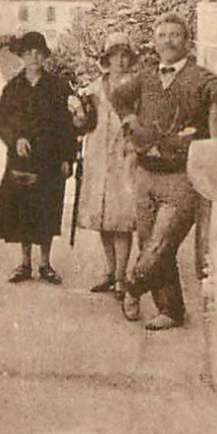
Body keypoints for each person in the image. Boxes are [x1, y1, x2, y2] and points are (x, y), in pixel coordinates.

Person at [109, 13, 217, 330]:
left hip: (182, 177)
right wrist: (129, 123)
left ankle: (129, 287)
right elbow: (118, 96)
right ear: (154, 42)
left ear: (187, 41)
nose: (168, 40)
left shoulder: (198, 76)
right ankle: (170, 310)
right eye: (162, 35)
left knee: (160, 245)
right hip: (146, 173)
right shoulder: (146, 76)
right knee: (149, 242)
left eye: (175, 35)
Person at [0, 31, 77, 284]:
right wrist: (15, 139)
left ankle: (45, 264)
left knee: (47, 209)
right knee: (24, 209)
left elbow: (68, 125)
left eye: (39, 52)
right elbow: (0, 120)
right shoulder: (13, 87)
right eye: (29, 53)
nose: (34, 57)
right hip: (22, 159)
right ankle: (25, 263)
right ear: (22, 56)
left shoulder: (58, 86)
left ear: (45, 56)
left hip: (50, 158)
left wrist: (67, 157)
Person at [71, 33, 141, 311]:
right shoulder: (95, 87)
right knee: (102, 218)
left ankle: (122, 277)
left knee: (122, 219)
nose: (121, 60)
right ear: (107, 59)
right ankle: (110, 271)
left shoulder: (137, 87)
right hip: (99, 156)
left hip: (125, 156)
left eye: (125, 55)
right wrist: (77, 113)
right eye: (115, 55)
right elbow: (83, 124)